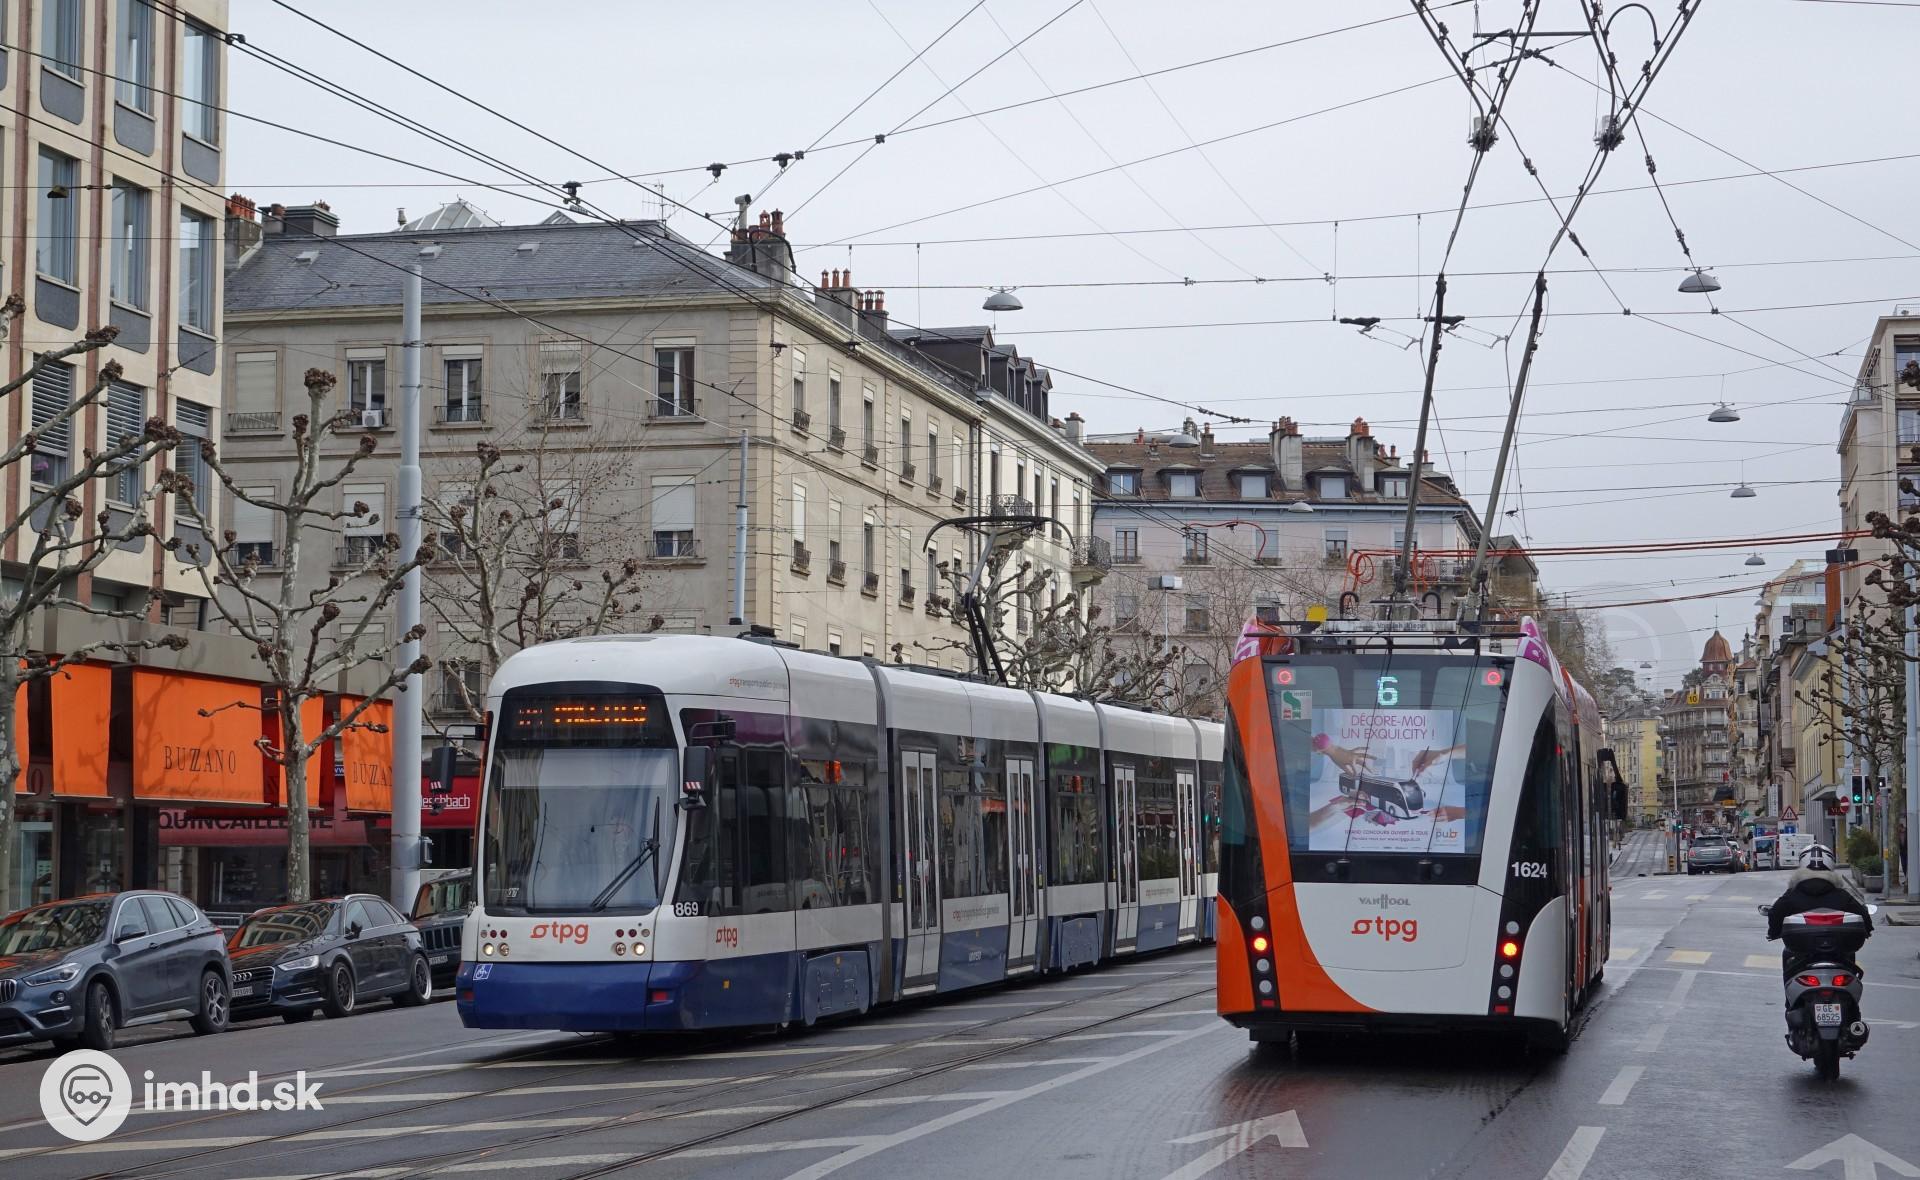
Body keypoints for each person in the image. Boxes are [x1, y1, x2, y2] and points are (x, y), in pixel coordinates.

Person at [1766, 846, 1873, 980]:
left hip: (1801, 955)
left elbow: (1775, 913)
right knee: (1849, 953)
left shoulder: (1792, 895)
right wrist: (1867, 929)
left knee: (1788, 954)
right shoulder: (1842, 895)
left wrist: (1773, 932)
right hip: (1839, 954)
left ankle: (1790, 991)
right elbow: (1862, 914)